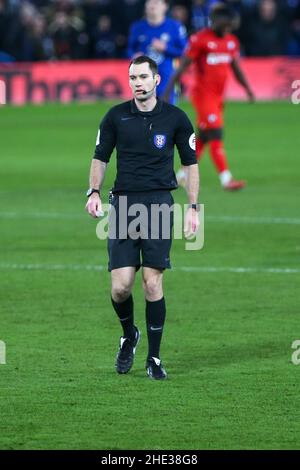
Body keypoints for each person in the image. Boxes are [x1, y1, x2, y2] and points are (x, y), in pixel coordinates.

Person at [85, 55, 200, 380]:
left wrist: (193, 208)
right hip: (123, 205)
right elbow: (100, 157)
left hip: (159, 205)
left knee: (152, 283)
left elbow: (191, 165)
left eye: (142, 77)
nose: (137, 82)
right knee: (121, 287)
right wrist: (93, 191)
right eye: (132, 77)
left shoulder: (176, 118)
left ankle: (154, 358)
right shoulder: (115, 116)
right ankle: (129, 334)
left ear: (156, 80)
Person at [164, 5, 255, 191]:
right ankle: (226, 179)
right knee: (216, 134)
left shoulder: (231, 41)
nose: (228, 29)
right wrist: (167, 92)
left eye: (231, 26)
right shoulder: (200, 40)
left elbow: (236, 68)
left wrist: (248, 89)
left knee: (204, 137)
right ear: (215, 22)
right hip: (203, 95)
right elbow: (182, 67)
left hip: (219, 97)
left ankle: (179, 175)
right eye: (225, 25)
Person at [127, 0, 187, 104]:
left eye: (156, 2)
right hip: (144, 80)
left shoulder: (175, 26)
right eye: (149, 2)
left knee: (166, 115)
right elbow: (129, 49)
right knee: (145, 116)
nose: (152, 5)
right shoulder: (137, 27)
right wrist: (134, 55)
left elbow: (185, 52)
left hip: (168, 80)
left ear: (165, 6)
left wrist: (166, 48)